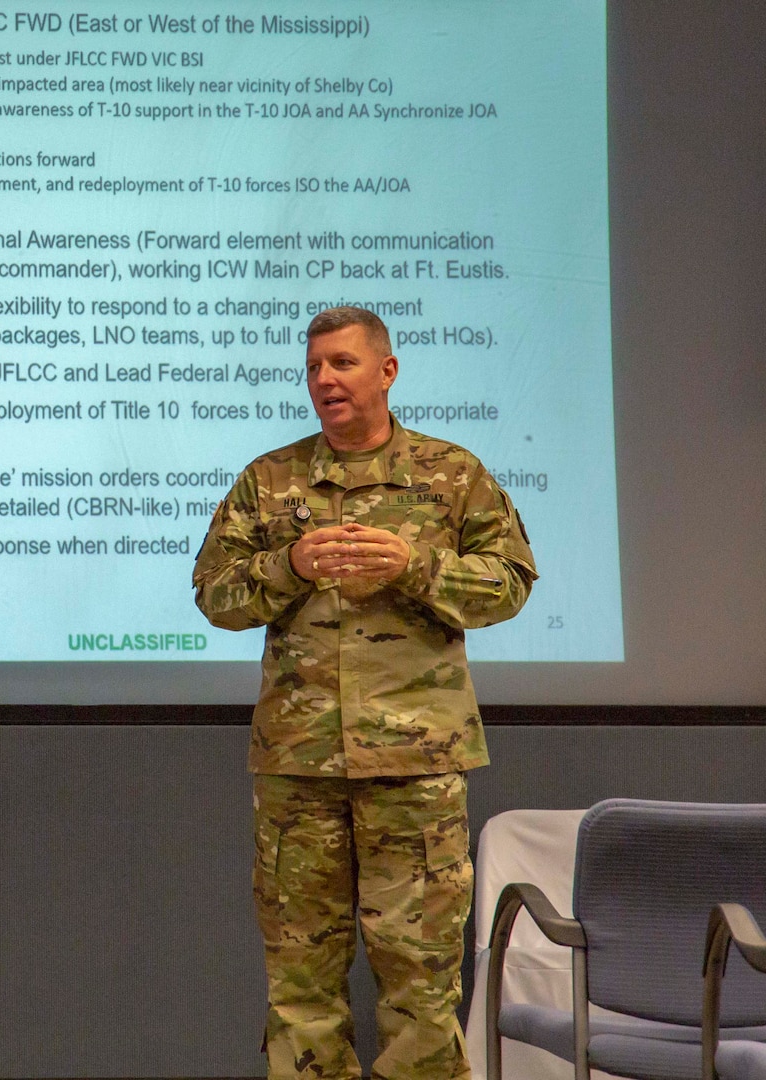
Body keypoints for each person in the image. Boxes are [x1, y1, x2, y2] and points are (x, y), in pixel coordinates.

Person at [192, 306, 537, 1080]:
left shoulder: (453, 474)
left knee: (421, 986)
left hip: (415, 767)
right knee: (300, 986)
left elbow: (510, 584)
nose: (324, 381)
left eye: (342, 364)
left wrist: (415, 566)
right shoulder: (269, 480)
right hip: (299, 771)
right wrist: (291, 567)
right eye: (314, 367)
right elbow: (215, 596)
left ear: (387, 371)